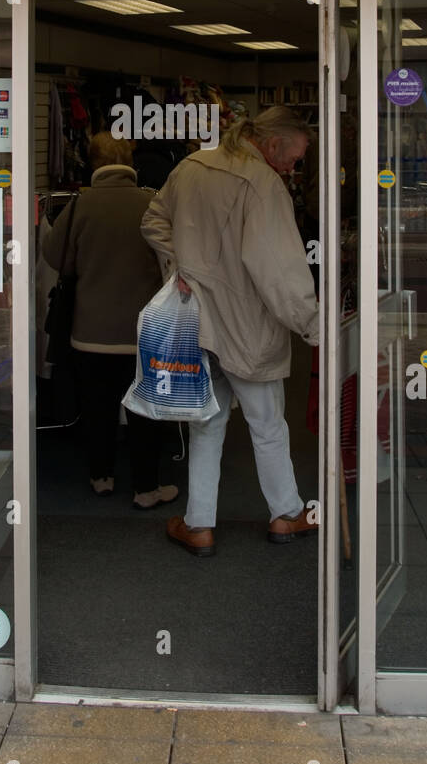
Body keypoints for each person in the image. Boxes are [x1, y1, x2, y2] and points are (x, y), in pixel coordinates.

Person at [141, 106, 320, 556]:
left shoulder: (190, 167)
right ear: (272, 143)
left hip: (195, 321)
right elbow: (277, 269)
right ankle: (287, 513)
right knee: (267, 424)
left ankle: (200, 524)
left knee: (206, 422)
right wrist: (313, 325)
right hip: (245, 325)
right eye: (295, 157)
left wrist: (180, 264)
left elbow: (152, 220)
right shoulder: (263, 185)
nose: (294, 167)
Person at [43, 131, 179, 509]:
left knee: (97, 409)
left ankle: (101, 476)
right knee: (144, 412)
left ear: (92, 163)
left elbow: (57, 259)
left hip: (90, 332)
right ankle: (146, 488)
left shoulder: (80, 206)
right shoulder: (152, 203)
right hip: (143, 331)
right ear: (129, 162)